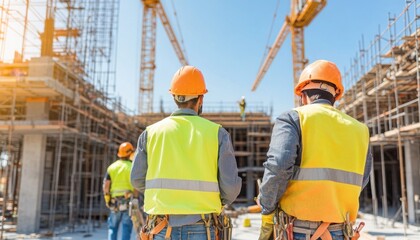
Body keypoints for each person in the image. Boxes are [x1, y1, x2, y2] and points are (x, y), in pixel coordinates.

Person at [257, 60, 372, 240]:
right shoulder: (360, 129)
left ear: (303, 95)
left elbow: (278, 167)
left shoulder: (293, 118)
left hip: (297, 230)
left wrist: (266, 206)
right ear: (336, 95)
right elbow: (362, 179)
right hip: (342, 231)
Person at [131, 65, 242, 240]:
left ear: (174, 97)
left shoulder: (150, 133)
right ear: (201, 98)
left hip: (160, 228)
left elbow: (137, 179)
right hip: (202, 227)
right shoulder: (217, 133)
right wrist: (213, 202)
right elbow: (230, 187)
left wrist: (164, 198)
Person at [103, 142, 140, 240]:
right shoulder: (132, 167)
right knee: (126, 227)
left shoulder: (112, 167)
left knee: (112, 228)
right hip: (128, 203)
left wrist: (107, 199)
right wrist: (135, 198)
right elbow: (135, 185)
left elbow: (106, 186)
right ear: (130, 153)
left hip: (114, 203)